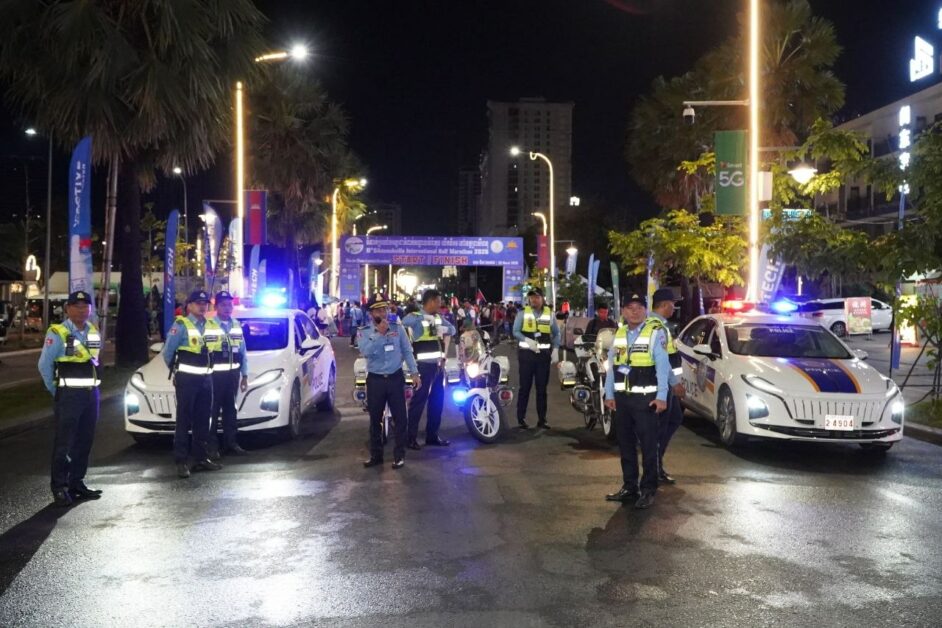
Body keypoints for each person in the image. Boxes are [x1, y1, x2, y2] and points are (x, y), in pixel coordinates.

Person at [603, 293, 671, 510]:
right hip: (623, 400)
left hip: (646, 401)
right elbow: (612, 366)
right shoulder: (620, 333)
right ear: (623, 311)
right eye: (630, 307)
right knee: (625, 445)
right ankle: (629, 486)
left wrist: (661, 396)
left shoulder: (655, 333)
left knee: (649, 446)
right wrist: (609, 394)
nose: (634, 311)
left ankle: (649, 488)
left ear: (646, 311)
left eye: (639, 307)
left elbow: (663, 366)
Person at [38, 291, 103, 507]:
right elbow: (44, 365)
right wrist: (57, 391)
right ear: (68, 309)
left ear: (90, 309)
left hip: (90, 395)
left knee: (85, 441)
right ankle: (59, 486)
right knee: (64, 443)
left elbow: (94, 362)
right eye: (77, 306)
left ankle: (77, 483)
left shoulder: (92, 331)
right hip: (69, 396)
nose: (82, 310)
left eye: (85, 306)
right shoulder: (58, 332)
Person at [162, 290, 224, 478]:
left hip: (206, 379)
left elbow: (216, 348)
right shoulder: (181, 325)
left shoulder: (212, 325)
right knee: (184, 420)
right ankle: (181, 461)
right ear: (189, 306)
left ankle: (200, 458)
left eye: (205, 303)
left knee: (203, 419)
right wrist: (177, 371)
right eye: (198, 303)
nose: (202, 306)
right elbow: (168, 352)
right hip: (187, 380)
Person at [357, 298, 421, 469]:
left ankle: (399, 456)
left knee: (401, 419)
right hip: (376, 380)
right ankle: (376, 455)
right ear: (371, 314)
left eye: (384, 309)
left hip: (395, 378)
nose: (383, 313)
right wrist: (379, 334)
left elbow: (407, 351)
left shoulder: (397, 328)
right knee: (375, 419)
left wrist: (415, 373)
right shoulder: (364, 332)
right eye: (378, 311)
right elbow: (365, 351)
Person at [402, 289, 456, 449]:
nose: (440, 304)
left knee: (437, 402)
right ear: (431, 301)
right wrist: (421, 319)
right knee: (418, 402)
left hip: (438, 367)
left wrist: (444, 329)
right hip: (423, 366)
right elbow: (402, 323)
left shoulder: (439, 318)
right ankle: (410, 438)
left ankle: (432, 436)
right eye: (438, 301)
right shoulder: (415, 317)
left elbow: (452, 329)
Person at [648, 288, 685, 484]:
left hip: (662, 383)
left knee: (674, 419)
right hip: (662, 384)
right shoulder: (658, 327)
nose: (674, 307)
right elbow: (663, 361)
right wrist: (674, 383)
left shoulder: (658, 324)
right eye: (673, 304)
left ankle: (656, 464)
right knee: (661, 428)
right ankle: (654, 468)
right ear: (664, 304)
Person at [208, 291, 249, 458]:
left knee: (231, 410)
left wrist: (244, 375)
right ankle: (211, 447)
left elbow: (243, 351)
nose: (227, 308)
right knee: (212, 412)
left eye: (229, 305)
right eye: (223, 305)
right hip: (214, 377)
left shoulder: (236, 325)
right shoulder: (209, 325)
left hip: (233, 375)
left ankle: (230, 443)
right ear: (216, 307)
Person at [512, 288, 560, 429]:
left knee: (542, 389)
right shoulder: (522, 313)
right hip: (526, 355)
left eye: (537, 297)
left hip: (543, 357)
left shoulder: (550, 314)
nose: (534, 300)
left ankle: (542, 420)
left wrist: (556, 349)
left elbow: (556, 333)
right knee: (524, 388)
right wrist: (527, 340)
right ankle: (521, 419)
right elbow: (515, 331)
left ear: (542, 298)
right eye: (531, 297)